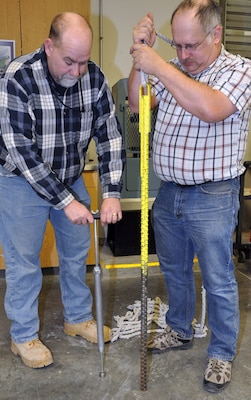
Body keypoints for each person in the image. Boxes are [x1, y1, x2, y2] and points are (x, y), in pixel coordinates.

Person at [128, 0, 251, 394]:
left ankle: (221, 350)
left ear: (215, 35)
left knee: (218, 279)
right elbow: (137, 103)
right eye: (175, 46)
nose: (182, 55)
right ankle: (179, 328)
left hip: (213, 194)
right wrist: (138, 57)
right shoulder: (176, 68)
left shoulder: (240, 70)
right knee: (175, 271)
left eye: (190, 46)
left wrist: (159, 63)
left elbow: (211, 108)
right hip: (169, 193)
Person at [0, 12, 125, 369]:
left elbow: (110, 137)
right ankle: (23, 335)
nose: (77, 72)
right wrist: (67, 200)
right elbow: (21, 151)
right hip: (20, 180)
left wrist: (112, 190)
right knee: (24, 261)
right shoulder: (18, 78)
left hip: (68, 176)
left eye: (83, 62)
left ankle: (76, 317)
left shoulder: (94, 78)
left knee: (76, 252)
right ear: (48, 46)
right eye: (69, 61)